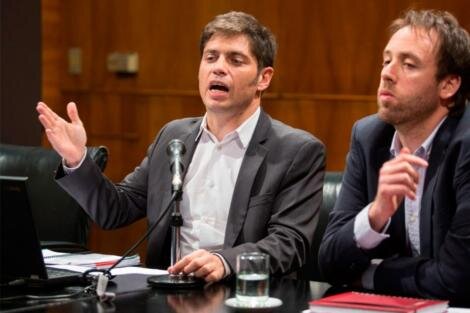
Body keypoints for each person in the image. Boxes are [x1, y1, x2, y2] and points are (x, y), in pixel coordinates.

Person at [37, 11, 325, 282]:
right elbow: (116, 210)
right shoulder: (173, 137)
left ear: (264, 78)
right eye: (211, 57)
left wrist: (224, 262)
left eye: (235, 60)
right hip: (168, 294)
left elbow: (290, 243)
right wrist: (76, 159)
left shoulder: (295, 151)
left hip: (244, 295)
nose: (219, 68)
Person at [318, 9, 470, 301]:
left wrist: (368, 273)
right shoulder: (369, 136)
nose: (387, 73)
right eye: (387, 60)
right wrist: (375, 216)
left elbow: (457, 280)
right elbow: (329, 262)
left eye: (409, 64)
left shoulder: (465, 144)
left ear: (448, 85)